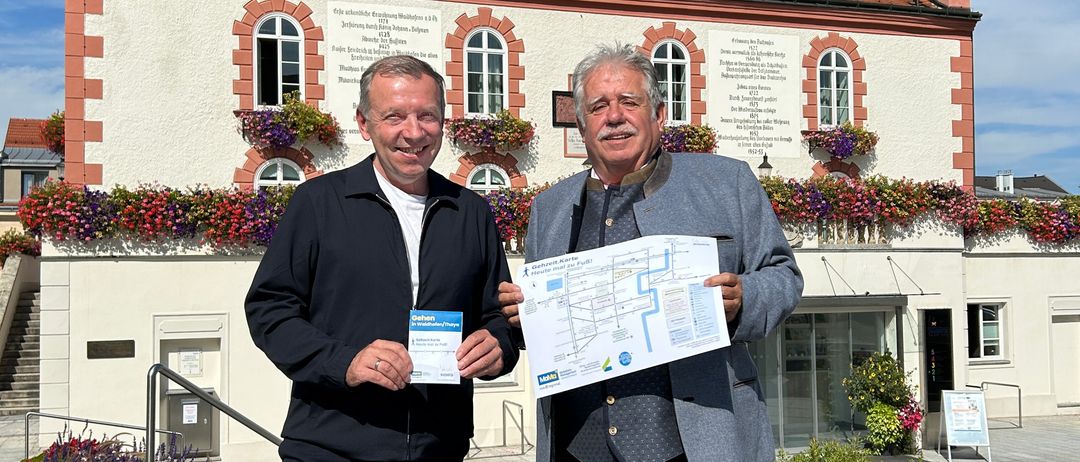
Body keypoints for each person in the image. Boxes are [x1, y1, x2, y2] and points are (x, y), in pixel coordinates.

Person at [499, 43, 803, 461]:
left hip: (695, 444)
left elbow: (783, 275)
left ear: (658, 115)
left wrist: (743, 298)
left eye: (629, 101)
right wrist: (523, 316)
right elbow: (551, 333)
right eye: (598, 107)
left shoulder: (725, 182)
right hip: (577, 446)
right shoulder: (548, 208)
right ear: (582, 127)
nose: (614, 117)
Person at [246, 54, 518, 461]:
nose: (414, 132)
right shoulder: (319, 203)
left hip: (439, 447)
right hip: (331, 447)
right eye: (394, 116)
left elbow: (498, 315)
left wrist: (499, 347)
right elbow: (269, 310)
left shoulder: (471, 212)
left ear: (443, 121)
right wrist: (344, 362)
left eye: (427, 115)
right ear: (364, 123)